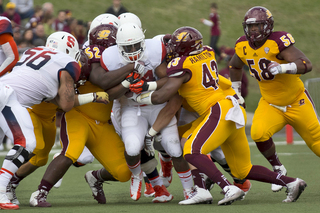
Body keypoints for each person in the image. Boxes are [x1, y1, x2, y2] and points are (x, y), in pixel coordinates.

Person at [132, 26, 307, 205]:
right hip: (230, 109)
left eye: (177, 45)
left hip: (217, 111)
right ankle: (292, 182)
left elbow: (164, 94)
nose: (173, 49)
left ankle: (228, 188)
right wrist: (148, 87)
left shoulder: (181, 65)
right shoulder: (207, 51)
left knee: (191, 151)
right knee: (241, 170)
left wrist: (138, 95)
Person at [28, 24, 135, 207]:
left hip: (102, 123)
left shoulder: (117, 60)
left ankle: (95, 177)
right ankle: (40, 192)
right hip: (78, 114)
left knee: (124, 172)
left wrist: (128, 82)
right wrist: (132, 70)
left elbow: (111, 91)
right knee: (71, 152)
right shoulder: (87, 57)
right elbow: (100, 80)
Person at [0, 30, 108, 210]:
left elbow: (46, 93)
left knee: (31, 145)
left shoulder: (34, 51)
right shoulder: (68, 63)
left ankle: (5, 187)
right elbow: (66, 104)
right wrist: (93, 97)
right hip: (10, 97)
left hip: (7, 92)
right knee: (27, 143)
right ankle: (3, 189)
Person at [229, 6, 315, 193]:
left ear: (267, 26)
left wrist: (283, 68)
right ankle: (278, 168)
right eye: (250, 27)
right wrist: (236, 90)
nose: (253, 31)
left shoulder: (278, 41)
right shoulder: (242, 45)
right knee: (258, 133)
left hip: (297, 101)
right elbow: (234, 66)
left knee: (317, 144)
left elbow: (306, 64)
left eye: (258, 26)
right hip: (270, 103)